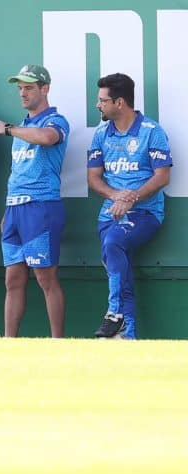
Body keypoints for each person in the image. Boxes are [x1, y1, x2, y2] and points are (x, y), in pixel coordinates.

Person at [87, 73, 172, 339]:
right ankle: (127, 334)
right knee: (117, 264)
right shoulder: (101, 134)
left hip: (146, 213)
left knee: (114, 243)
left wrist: (131, 198)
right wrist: (116, 197)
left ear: (120, 102)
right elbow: (93, 178)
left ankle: (115, 314)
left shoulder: (152, 132)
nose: (98, 105)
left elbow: (162, 176)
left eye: (103, 100)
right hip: (109, 213)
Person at [0, 65, 70, 338]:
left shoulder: (56, 120)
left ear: (44, 89)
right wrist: (8, 209)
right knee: (12, 279)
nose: (23, 93)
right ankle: (9, 341)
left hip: (42, 206)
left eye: (29, 87)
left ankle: (57, 342)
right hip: (15, 210)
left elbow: (47, 138)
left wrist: (9, 129)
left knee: (45, 278)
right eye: (20, 88)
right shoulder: (22, 126)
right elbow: (18, 172)